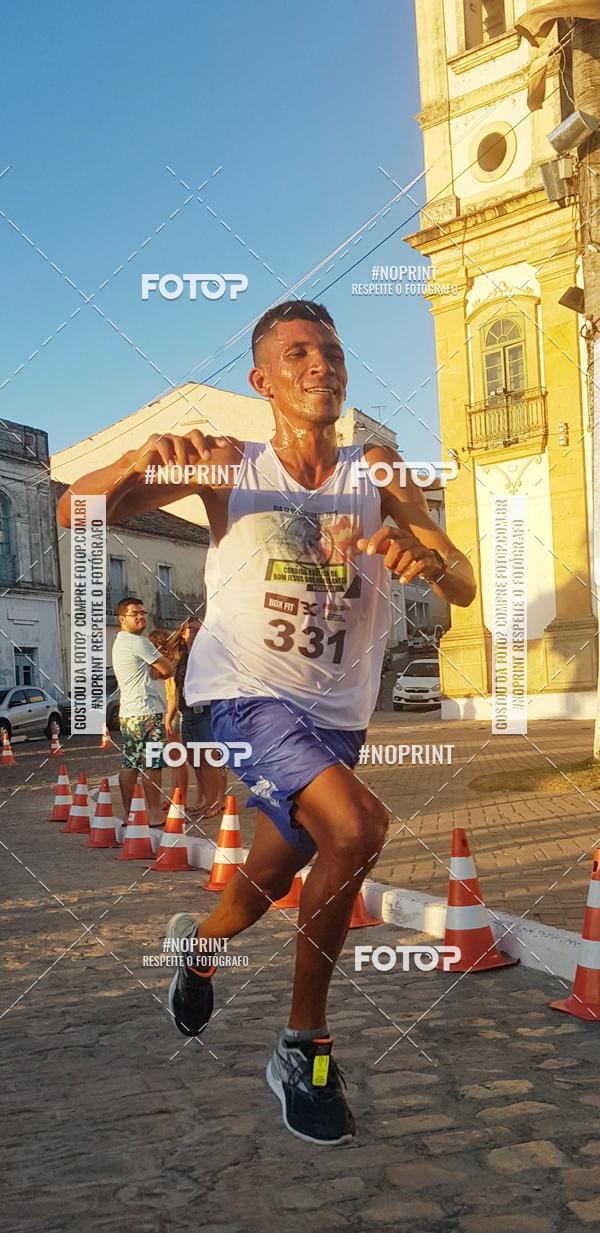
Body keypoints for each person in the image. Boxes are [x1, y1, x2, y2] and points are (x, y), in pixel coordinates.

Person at [58, 299, 476, 1145]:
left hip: (338, 714)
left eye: (331, 350)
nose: (321, 364)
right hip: (241, 695)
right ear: (264, 381)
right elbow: (79, 511)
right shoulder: (226, 463)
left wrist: (427, 558)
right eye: (298, 354)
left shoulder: (379, 472)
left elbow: (461, 582)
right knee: (357, 827)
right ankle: (303, 1047)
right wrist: (138, 457)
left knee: (270, 879)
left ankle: (198, 948)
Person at [110, 598, 174, 826]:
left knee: (130, 763)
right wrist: (161, 667)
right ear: (122, 618)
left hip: (129, 712)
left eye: (143, 612)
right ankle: (155, 814)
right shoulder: (139, 643)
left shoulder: (119, 641)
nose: (141, 617)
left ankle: (130, 814)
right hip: (148, 710)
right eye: (134, 613)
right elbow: (168, 668)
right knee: (153, 764)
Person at [168, 617, 226, 818]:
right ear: (183, 633)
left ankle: (215, 803)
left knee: (209, 760)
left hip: (205, 713)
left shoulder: (208, 656)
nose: (194, 633)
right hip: (187, 714)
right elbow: (177, 689)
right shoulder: (181, 657)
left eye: (198, 630)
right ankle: (208, 801)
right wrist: (172, 716)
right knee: (195, 761)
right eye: (190, 630)